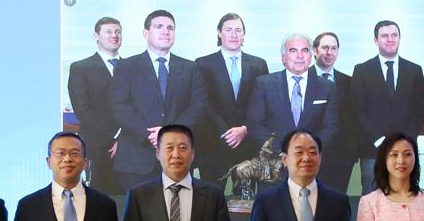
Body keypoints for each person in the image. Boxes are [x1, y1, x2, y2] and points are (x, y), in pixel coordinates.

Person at [110, 10, 208, 191]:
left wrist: (169, 132)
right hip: (136, 158)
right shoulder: (126, 66)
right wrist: (150, 134)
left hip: (178, 157)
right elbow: (119, 106)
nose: (166, 31)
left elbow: (198, 105)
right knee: (137, 209)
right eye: (159, 26)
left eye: (170, 28)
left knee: (179, 208)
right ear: (145, 33)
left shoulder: (190, 67)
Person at [349, 22, 424, 194]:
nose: (390, 39)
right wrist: (379, 141)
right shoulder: (362, 70)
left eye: (394, 35)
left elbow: (420, 109)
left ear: (399, 38)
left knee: (405, 196)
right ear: (376, 40)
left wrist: (404, 140)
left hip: (405, 148)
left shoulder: (414, 70)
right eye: (384, 36)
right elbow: (358, 110)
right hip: (372, 150)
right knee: (371, 199)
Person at [246, 34, 339, 178]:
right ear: (283, 57)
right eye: (293, 51)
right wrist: (282, 152)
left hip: (311, 167)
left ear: (311, 56)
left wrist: (308, 152)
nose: (300, 56)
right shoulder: (264, 84)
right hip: (273, 167)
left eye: (305, 50)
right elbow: (255, 124)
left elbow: (330, 127)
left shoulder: (327, 87)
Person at [194, 13, 270, 184]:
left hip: (248, 144)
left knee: (246, 196)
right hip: (213, 144)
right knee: (212, 195)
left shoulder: (258, 64)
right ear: (219, 33)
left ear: (244, 34)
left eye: (238, 30)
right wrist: (227, 133)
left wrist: (245, 128)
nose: (234, 34)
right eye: (228, 30)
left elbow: (263, 104)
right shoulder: (203, 64)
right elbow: (204, 103)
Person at [66, 16, 123, 194]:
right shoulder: (81, 68)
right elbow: (83, 110)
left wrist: (124, 138)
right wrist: (114, 135)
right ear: (96, 36)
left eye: (118, 32)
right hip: (97, 148)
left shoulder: (133, 67)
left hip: (131, 149)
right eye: (109, 31)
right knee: (98, 200)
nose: (114, 35)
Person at [311, 31, 355, 192]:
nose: (329, 52)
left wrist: (351, 152)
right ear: (315, 50)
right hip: (311, 154)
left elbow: (352, 119)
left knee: (337, 201)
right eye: (325, 48)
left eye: (333, 48)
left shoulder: (349, 82)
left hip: (341, 159)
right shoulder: (302, 78)